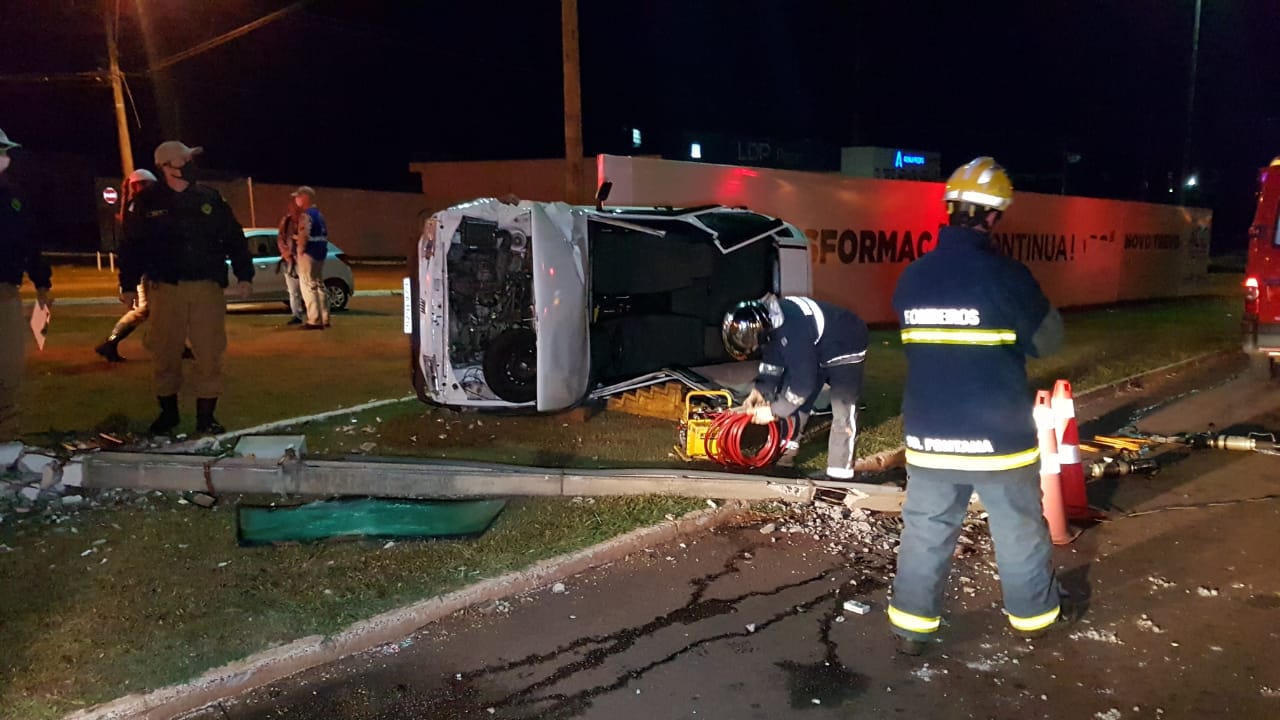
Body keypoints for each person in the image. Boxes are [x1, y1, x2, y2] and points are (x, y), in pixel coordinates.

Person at [887, 156, 1071, 656]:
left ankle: (910, 629)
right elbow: (1049, 341)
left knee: (926, 531)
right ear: (994, 217)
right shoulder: (1008, 277)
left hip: (929, 438)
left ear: (950, 209)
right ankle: (1033, 621)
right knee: (1017, 530)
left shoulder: (913, 277)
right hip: (999, 440)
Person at [120, 141, 253, 435]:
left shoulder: (209, 198)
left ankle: (206, 419)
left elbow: (235, 237)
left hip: (206, 287)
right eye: (185, 160)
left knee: (210, 353)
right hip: (165, 288)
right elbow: (131, 246)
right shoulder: (146, 202)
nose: (191, 165)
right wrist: (127, 284)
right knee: (165, 353)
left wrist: (245, 274)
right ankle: (168, 415)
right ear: (167, 167)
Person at [722, 293, 868, 479]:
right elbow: (772, 363)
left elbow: (802, 386)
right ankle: (784, 457)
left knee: (843, 409)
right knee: (793, 400)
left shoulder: (792, 329)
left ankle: (840, 475)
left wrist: (773, 411)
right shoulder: (772, 322)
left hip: (845, 343)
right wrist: (760, 391)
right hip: (816, 344)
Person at [0, 128, 52, 443]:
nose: (4, 157)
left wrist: (42, 283)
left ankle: (6, 442)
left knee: (9, 370)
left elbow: (30, 243)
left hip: (6, 291)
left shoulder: (13, 196)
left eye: (5, 151)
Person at [95, 169, 159, 362]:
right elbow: (133, 246)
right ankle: (111, 342)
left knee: (164, 308)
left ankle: (178, 345)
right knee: (146, 309)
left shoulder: (137, 207)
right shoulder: (139, 208)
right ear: (137, 186)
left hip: (149, 267)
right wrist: (128, 282)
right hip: (147, 268)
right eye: (146, 184)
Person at [290, 186, 329, 329]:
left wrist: (299, 251)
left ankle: (314, 320)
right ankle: (324, 317)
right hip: (320, 253)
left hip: (309, 253)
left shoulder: (306, 215)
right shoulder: (320, 215)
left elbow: (304, 235)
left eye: (298, 197)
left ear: (305, 197)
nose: (296, 200)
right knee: (319, 285)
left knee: (308, 285)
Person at [276, 200, 305, 325]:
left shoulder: (305, 221)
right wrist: (286, 254)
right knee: (293, 291)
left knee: (307, 289)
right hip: (289, 262)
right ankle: (296, 315)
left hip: (302, 261)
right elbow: (280, 239)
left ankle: (315, 315)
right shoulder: (286, 222)